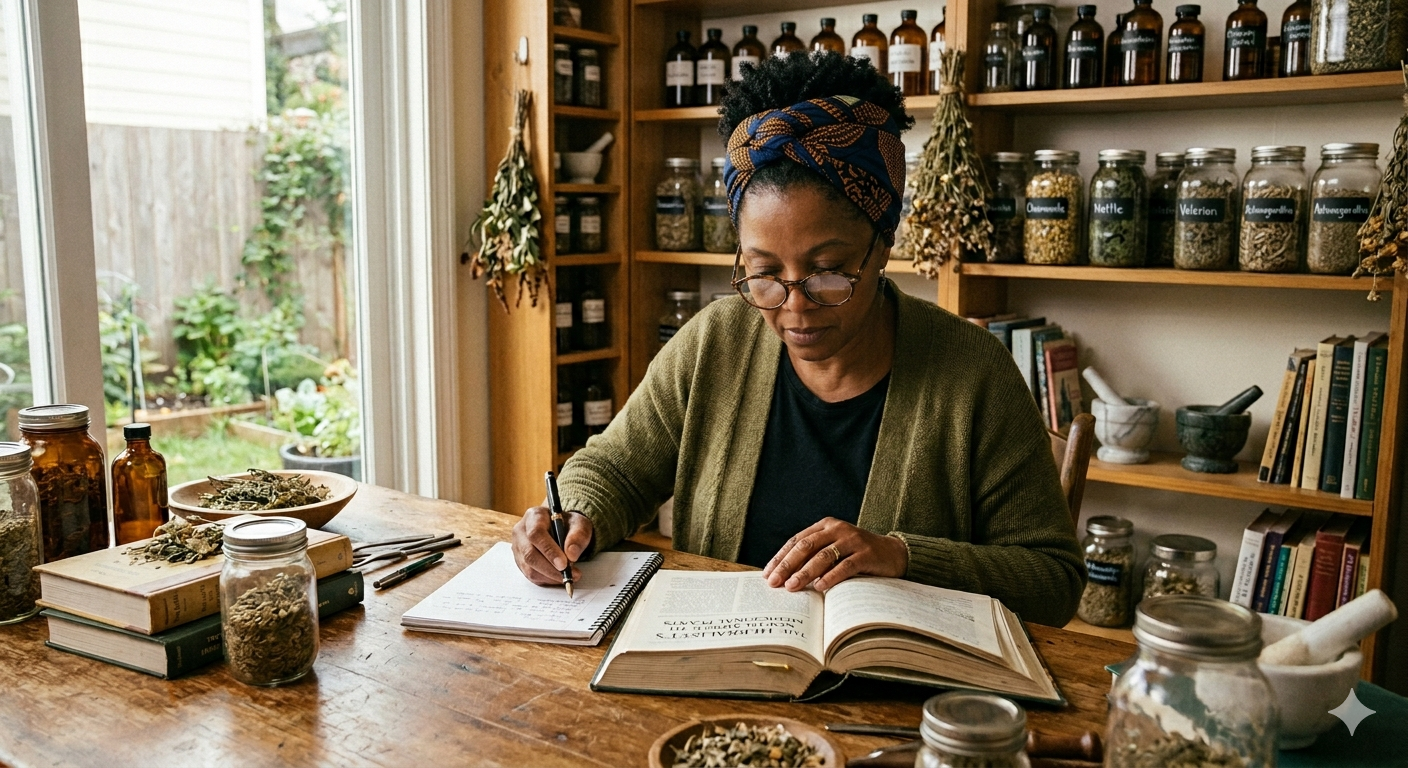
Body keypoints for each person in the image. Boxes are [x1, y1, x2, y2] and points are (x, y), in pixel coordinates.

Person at [512, 52, 1085, 626]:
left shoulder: (972, 373)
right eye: (763, 274)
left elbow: (1051, 580)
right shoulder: (715, 343)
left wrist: (902, 555)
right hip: (717, 672)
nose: (795, 306)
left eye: (828, 273)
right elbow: (615, 468)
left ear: (882, 247)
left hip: (896, 696)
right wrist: (571, 516)